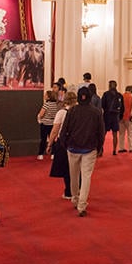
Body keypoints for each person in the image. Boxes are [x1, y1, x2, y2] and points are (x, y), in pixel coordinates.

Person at [61, 87, 105, 217]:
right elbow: (100, 132)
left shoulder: (72, 111)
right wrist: (99, 147)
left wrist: (65, 144)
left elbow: (64, 129)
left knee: (73, 175)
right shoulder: (96, 112)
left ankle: (75, 199)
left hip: (73, 148)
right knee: (86, 177)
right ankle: (82, 205)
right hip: (90, 148)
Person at [47, 92, 77, 198]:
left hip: (63, 142)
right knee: (77, 168)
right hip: (77, 142)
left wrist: (50, 144)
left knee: (66, 168)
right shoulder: (78, 112)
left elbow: (55, 130)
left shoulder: (61, 113)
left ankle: (69, 191)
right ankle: (77, 190)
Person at [101, 80, 124, 155]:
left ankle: (101, 149)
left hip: (107, 116)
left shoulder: (106, 94)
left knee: (103, 134)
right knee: (115, 135)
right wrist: (120, 117)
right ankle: (114, 150)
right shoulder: (119, 95)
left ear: (109, 86)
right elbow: (122, 108)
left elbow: (102, 105)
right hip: (115, 117)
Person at [36, 90, 58, 161]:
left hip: (45, 124)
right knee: (53, 139)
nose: (44, 96)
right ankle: (53, 154)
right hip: (52, 124)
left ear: (48, 97)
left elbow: (41, 114)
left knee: (43, 139)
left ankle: (40, 154)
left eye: (45, 95)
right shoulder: (56, 104)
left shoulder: (46, 104)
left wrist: (39, 117)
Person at [119, 85, 132, 153]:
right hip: (128, 117)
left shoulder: (121, 96)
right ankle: (130, 148)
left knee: (121, 134)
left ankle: (121, 148)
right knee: (130, 134)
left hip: (120, 117)